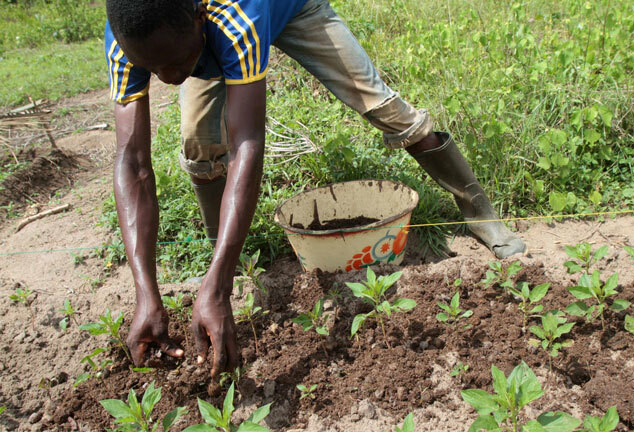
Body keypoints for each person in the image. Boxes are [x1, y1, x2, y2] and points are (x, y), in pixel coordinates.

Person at [105, 0, 526, 377]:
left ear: (200, 16)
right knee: (199, 150)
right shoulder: (131, 31)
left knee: (385, 108)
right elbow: (132, 162)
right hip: (201, 38)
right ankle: (226, 261)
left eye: (176, 64)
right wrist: (146, 293)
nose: (170, 79)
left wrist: (216, 292)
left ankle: (480, 214)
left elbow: (247, 146)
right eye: (154, 70)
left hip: (288, 8)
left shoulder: (234, 18)